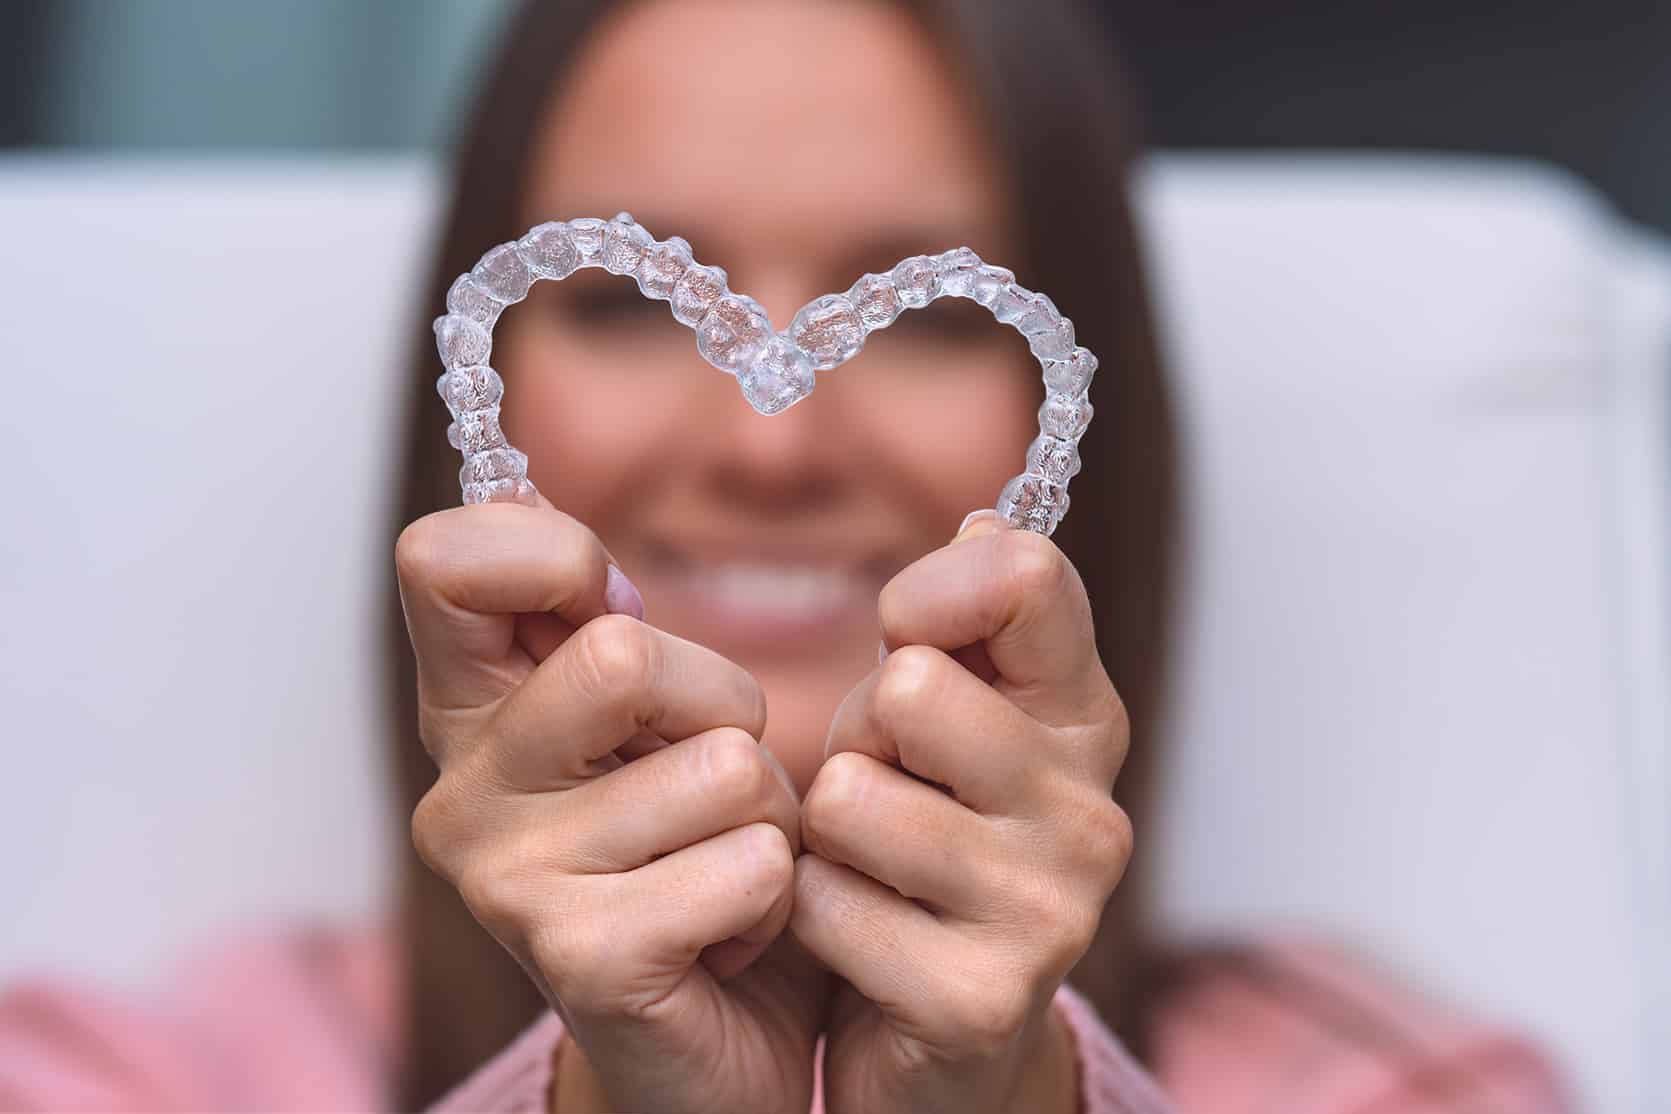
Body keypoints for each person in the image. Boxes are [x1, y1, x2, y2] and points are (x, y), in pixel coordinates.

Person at [0, 1, 1572, 1111]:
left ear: (1084, 412)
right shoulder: (113, 1082)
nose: (772, 446)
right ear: (475, 407)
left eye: (930, 311)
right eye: (624, 302)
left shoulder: (1407, 1089)